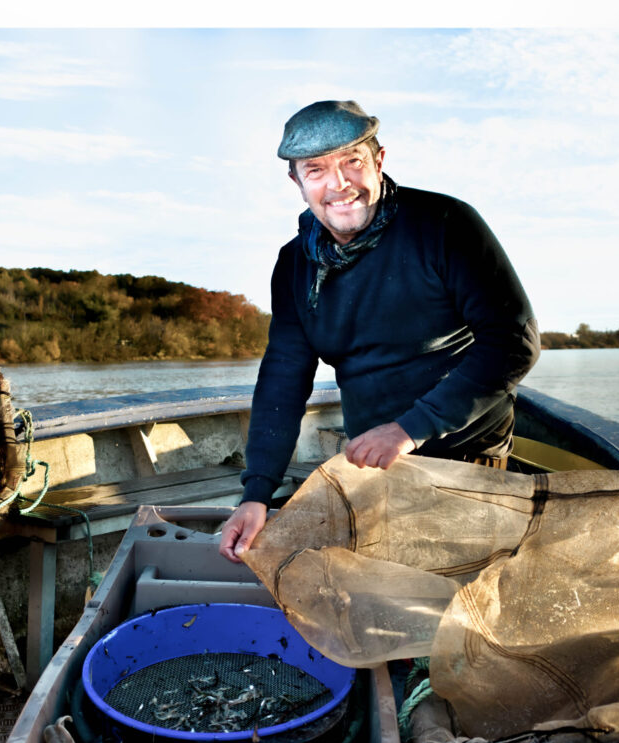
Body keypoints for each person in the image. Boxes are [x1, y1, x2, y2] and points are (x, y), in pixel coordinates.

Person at [219, 100, 540, 562]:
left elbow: (513, 341)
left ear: (379, 160)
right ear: (296, 181)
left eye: (353, 161)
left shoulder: (446, 225)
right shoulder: (294, 264)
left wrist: (410, 429)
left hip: (469, 463)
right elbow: (283, 378)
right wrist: (257, 492)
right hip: (374, 468)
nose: (339, 184)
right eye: (316, 170)